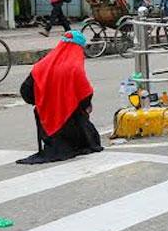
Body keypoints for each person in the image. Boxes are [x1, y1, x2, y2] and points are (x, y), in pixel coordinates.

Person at [17, 30, 104, 164]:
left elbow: (26, 92)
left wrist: (43, 101)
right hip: (72, 125)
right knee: (91, 138)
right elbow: (85, 95)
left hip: (47, 125)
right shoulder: (75, 67)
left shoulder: (40, 66)